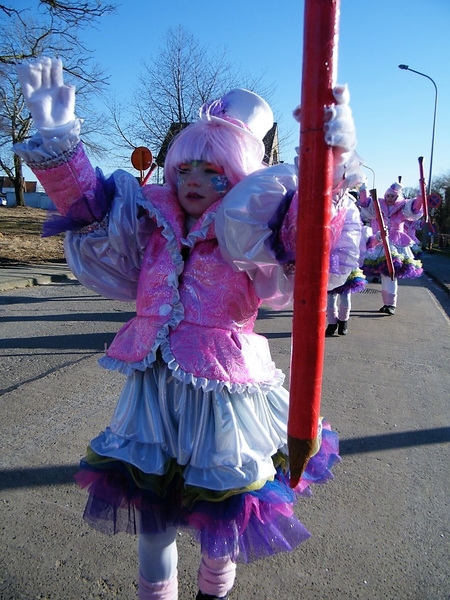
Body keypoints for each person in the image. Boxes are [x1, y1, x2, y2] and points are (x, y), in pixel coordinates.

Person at [14, 57, 360, 600]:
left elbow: (305, 240)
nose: (193, 181)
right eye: (185, 170)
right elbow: (87, 208)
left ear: (240, 180)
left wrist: (328, 169)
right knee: (151, 522)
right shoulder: (149, 220)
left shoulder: (250, 235)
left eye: (213, 172)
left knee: (219, 524)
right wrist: (58, 143)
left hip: (225, 400)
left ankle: (211, 594)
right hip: (151, 397)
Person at [359, 181, 423, 316]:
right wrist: (363, 188)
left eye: (392, 197)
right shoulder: (376, 206)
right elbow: (364, 203)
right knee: (384, 275)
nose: (389, 199)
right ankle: (387, 303)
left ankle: (391, 304)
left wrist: (420, 195)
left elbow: (415, 209)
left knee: (391, 274)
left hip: (395, 244)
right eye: (388, 196)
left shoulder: (402, 208)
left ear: (397, 197)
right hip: (379, 242)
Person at [325, 191, 366, 337]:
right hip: (330, 262)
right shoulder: (329, 219)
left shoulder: (356, 227)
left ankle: (343, 322)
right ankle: (331, 323)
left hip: (347, 263)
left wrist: (378, 238)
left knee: (345, 296)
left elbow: (363, 243)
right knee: (330, 297)